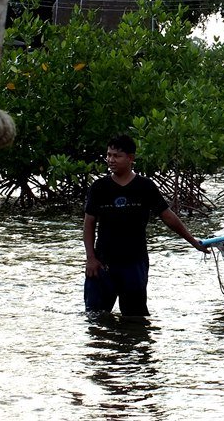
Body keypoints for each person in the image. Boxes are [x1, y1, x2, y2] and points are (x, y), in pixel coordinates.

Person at [83, 134, 207, 316]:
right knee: (95, 318)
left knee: (136, 320)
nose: (111, 160)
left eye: (117, 156)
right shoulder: (99, 187)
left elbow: (168, 217)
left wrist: (193, 241)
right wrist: (91, 258)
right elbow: (88, 225)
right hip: (103, 263)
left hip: (134, 263)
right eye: (108, 155)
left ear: (131, 158)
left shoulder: (145, 186)